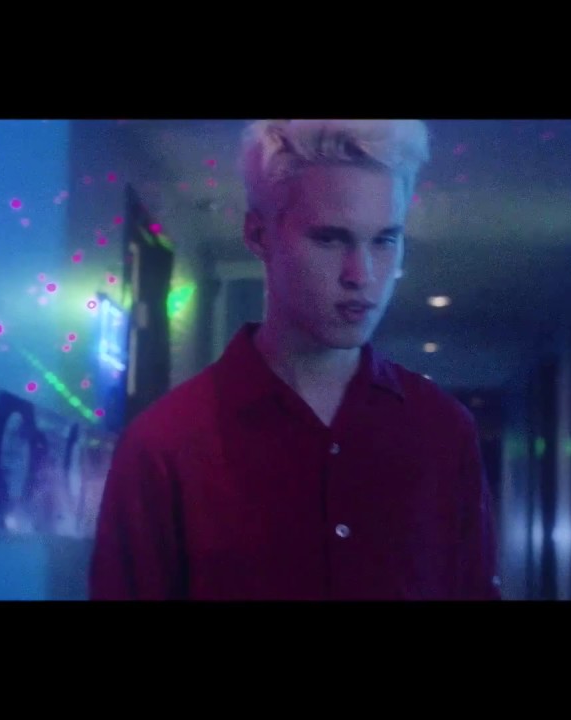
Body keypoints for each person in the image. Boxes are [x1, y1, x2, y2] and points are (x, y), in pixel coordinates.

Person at [88, 119, 500, 600]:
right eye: (330, 239)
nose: (361, 274)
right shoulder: (165, 448)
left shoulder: (442, 432)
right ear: (258, 234)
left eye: (384, 240)